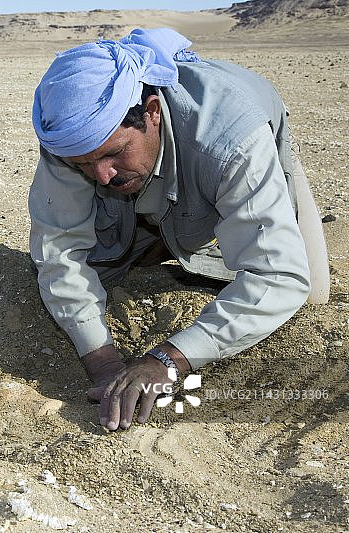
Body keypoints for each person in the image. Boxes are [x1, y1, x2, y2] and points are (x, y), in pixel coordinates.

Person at [29, 28, 329, 431]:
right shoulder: (72, 141)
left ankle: (171, 236)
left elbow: (278, 276)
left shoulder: (233, 140)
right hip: (155, 184)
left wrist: (168, 360)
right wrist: (103, 363)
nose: (101, 176)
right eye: (83, 165)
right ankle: (158, 237)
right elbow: (60, 250)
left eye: (114, 153)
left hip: (240, 152)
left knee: (308, 291)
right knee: (88, 268)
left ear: (152, 111)